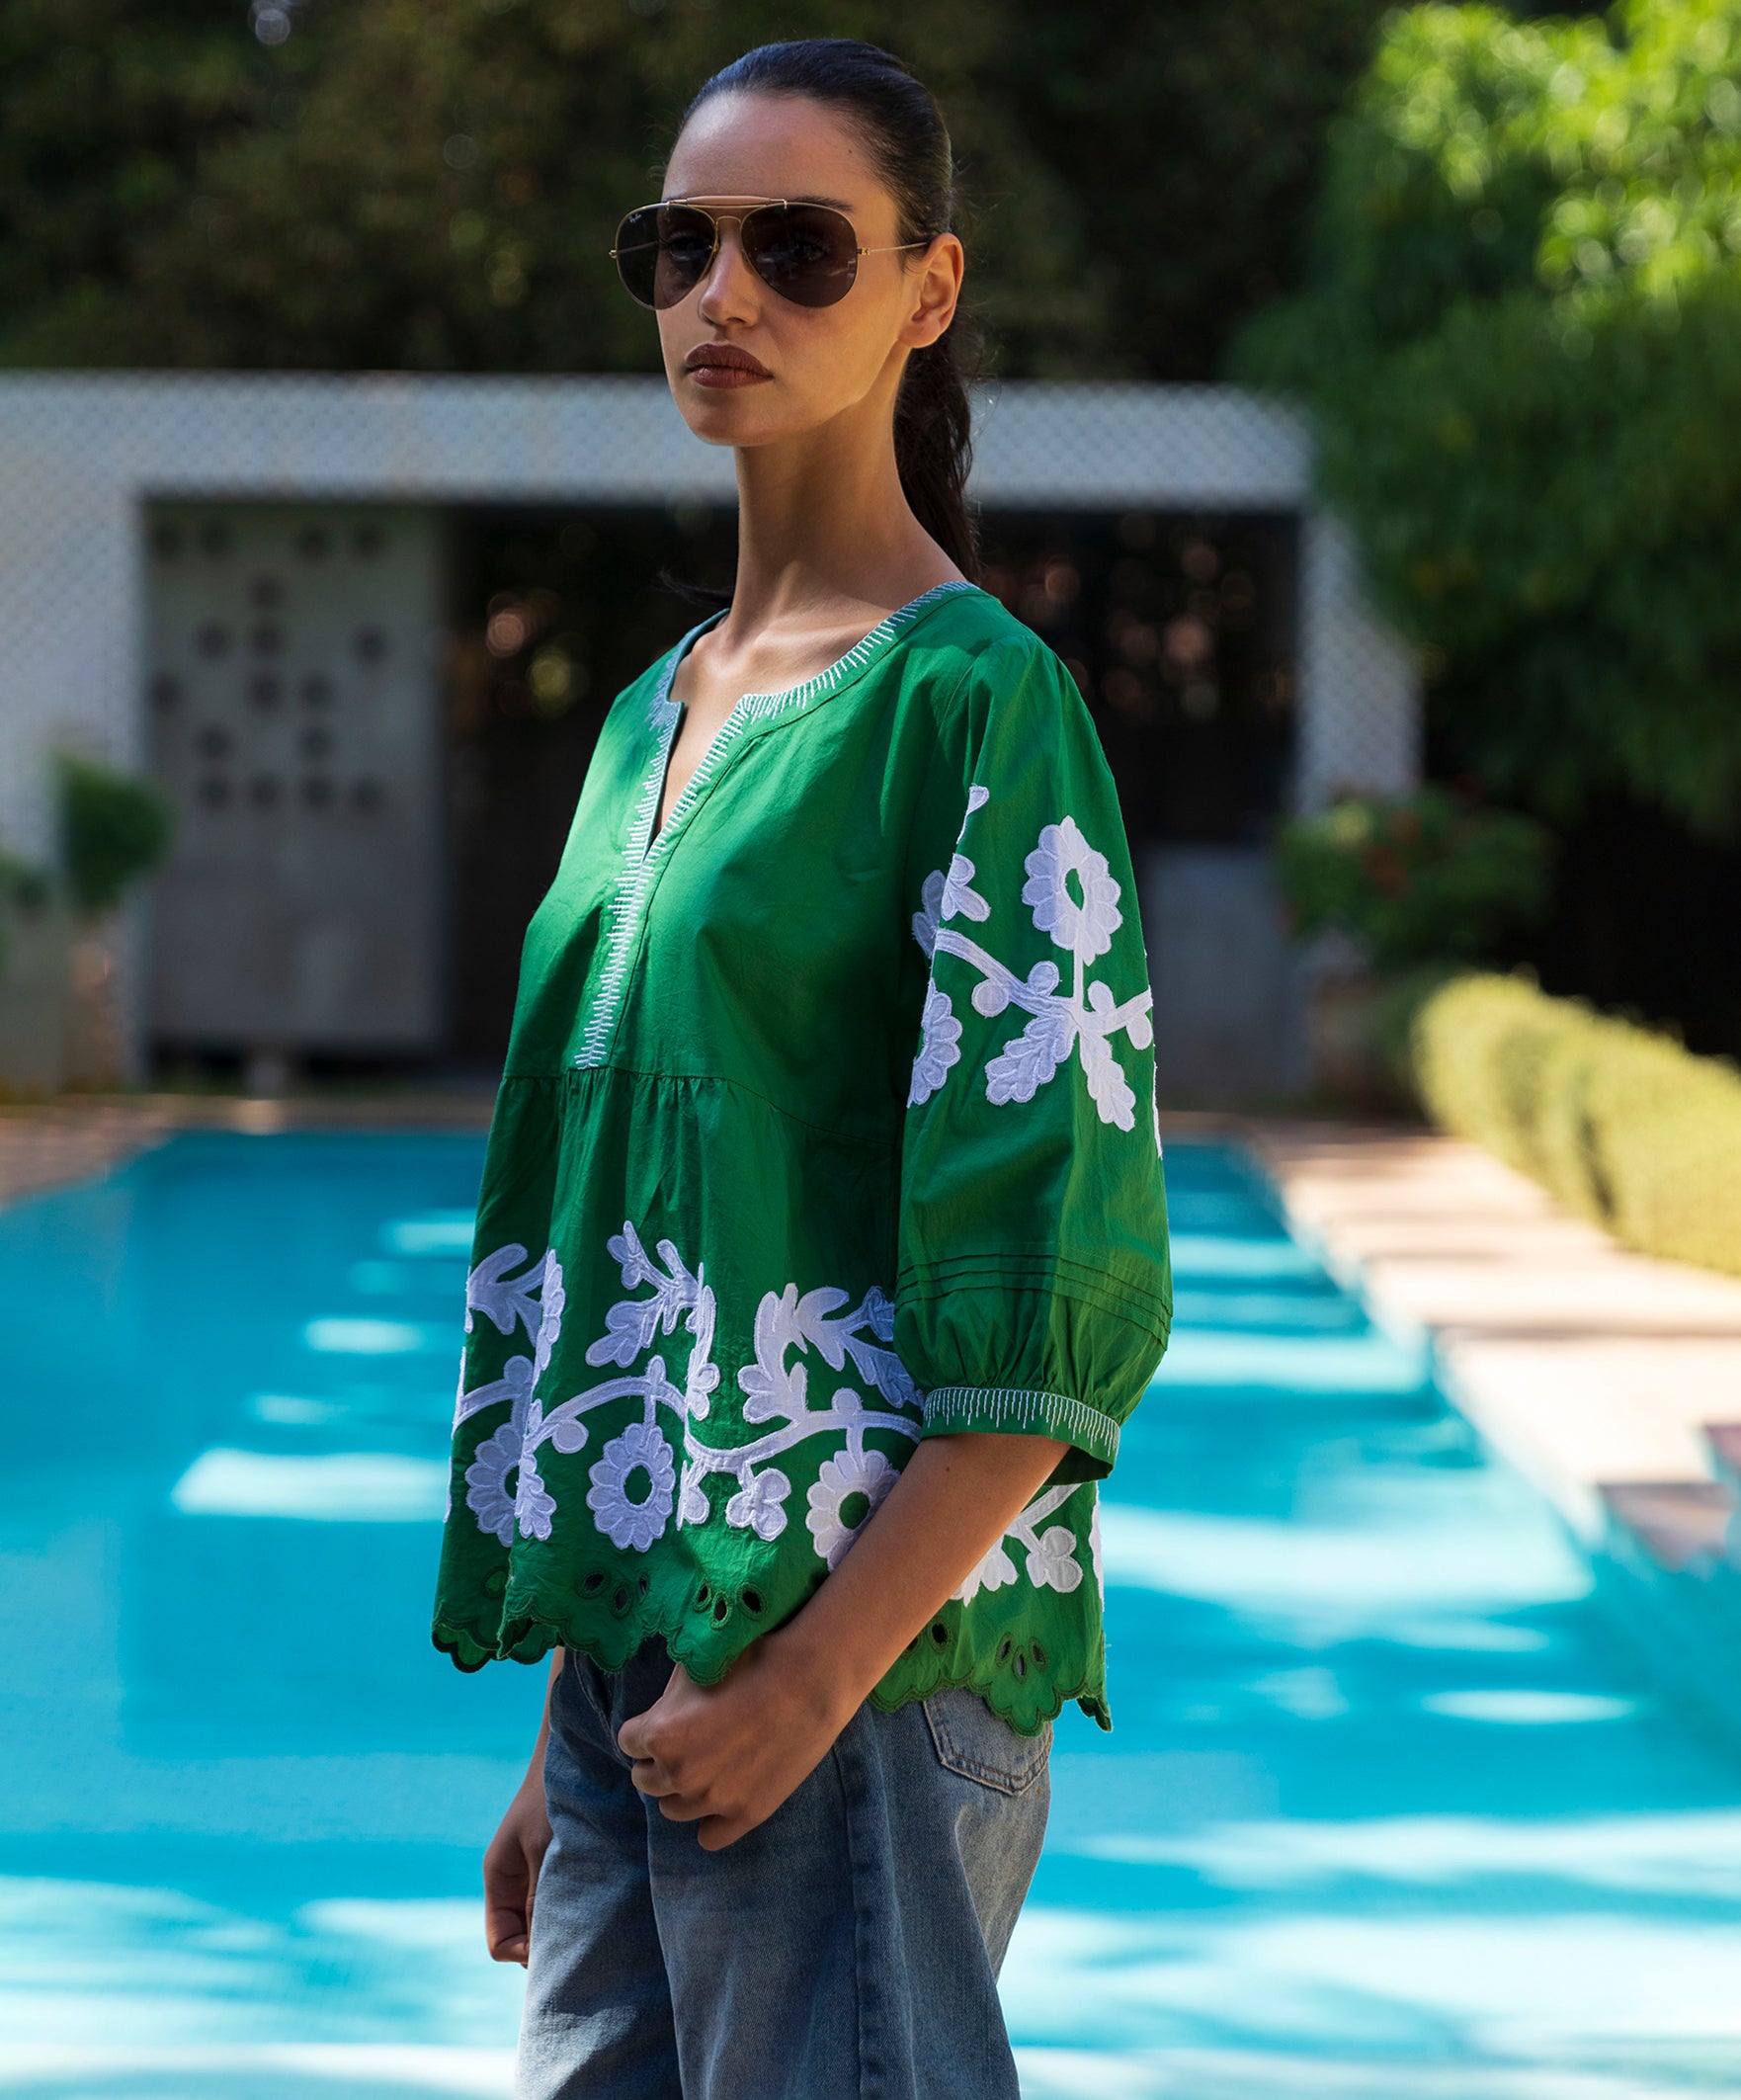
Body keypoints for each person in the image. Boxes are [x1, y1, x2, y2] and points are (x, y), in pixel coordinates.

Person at [432, 37, 1172, 2100]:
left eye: (796, 246)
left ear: (925, 290)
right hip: (645, 1653)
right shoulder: (649, 713)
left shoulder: (975, 710)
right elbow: (649, 1221)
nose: (723, 293)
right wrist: (571, 1717)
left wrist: (812, 1674)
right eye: (681, 244)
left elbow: (1056, 1269)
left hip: (851, 1665)